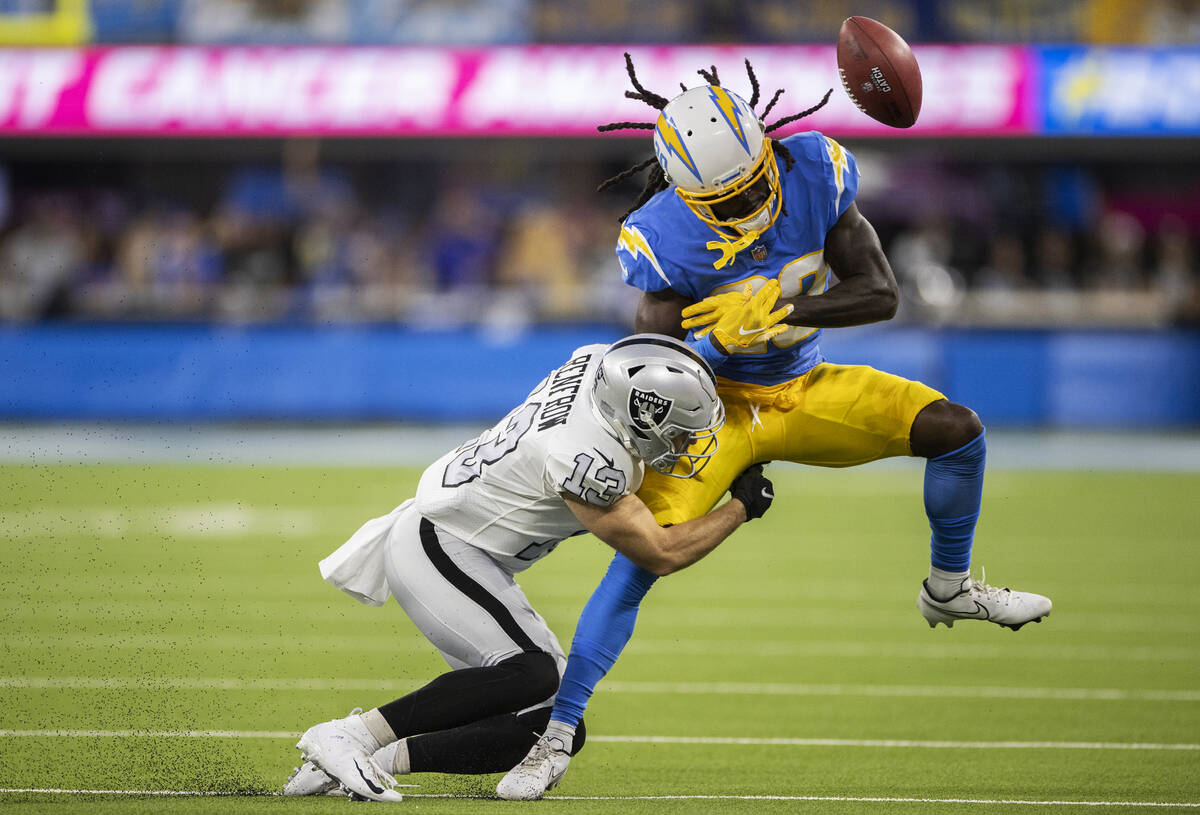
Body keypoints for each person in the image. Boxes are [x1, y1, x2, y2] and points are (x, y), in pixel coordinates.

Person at [496, 56, 1053, 800]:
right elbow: (648, 374)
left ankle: (948, 587)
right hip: (715, 412)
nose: (755, 203)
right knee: (642, 555)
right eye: (728, 200)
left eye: (759, 182)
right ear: (685, 193)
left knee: (957, 429)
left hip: (805, 386)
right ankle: (556, 733)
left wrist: (785, 313)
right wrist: (712, 349)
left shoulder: (817, 168)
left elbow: (880, 293)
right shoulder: (659, 236)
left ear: (769, 148)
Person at [283, 333, 775, 800]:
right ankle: (349, 736)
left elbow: (646, 353)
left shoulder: (601, 362)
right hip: (439, 542)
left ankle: (366, 760)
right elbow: (658, 553)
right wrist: (740, 508)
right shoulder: (587, 457)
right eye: (679, 433)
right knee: (531, 674)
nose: (688, 445)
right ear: (638, 416)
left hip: (471, 546)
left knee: (555, 725)